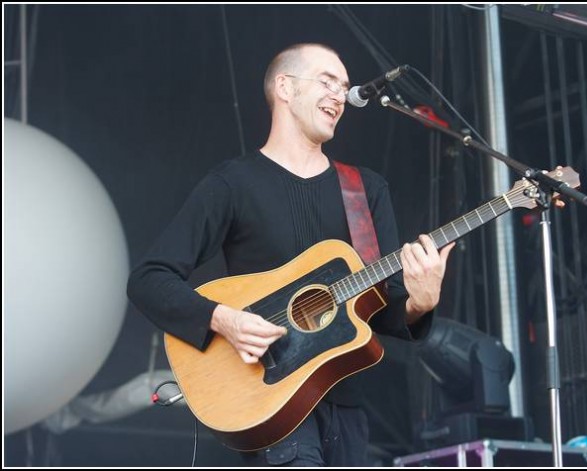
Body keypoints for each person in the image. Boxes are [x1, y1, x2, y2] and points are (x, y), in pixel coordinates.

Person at [127, 42, 454, 467]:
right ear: (284, 87)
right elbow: (149, 279)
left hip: (348, 409)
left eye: (345, 86)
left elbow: (382, 309)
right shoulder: (232, 184)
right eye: (327, 81)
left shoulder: (364, 190)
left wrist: (420, 303)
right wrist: (224, 318)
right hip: (270, 401)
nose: (340, 96)